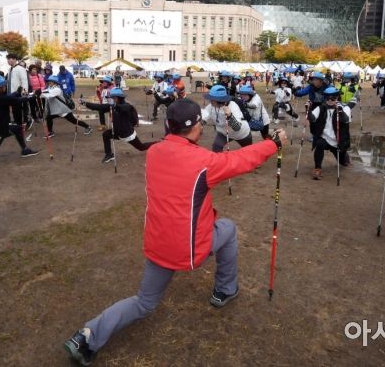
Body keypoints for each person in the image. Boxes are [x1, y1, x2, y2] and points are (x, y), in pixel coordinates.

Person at [63, 98, 287, 366]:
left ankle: (86, 336)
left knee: (144, 303)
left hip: (158, 245)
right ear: (195, 128)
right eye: (201, 124)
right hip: (189, 250)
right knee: (227, 228)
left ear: (168, 124)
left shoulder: (155, 151)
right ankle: (225, 290)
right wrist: (273, 142)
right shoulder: (204, 161)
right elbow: (242, 159)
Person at [87, 88, 157, 163]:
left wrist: (115, 106)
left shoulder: (127, 106)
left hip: (127, 134)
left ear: (118, 98)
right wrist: (85, 104)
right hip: (117, 132)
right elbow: (99, 107)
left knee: (141, 147)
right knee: (106, 134)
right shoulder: (112, 105)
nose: (111, 99)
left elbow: (123, 108)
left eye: (113, 98)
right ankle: (109, 155)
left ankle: (159, 143)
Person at [308, 87, 351, 180]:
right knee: (319, 144)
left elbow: (346, 120)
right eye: (327, 98)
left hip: (338, 141)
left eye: (333, 98)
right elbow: (312, 118)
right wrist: (308, 110)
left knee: (344, 163)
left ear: (337, 97)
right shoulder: (320, 108)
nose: (330, 100)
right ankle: (317, 168)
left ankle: (345, 157)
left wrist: (340, 111)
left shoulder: (344, 107)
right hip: (325, 138)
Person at [201, 85, 252, 152]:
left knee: (249, 151)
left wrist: (230, 116)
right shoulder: (211, 106)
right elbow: (203, 118)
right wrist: (199, 124)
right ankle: (220, 162)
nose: (210, 100)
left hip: (242, 134)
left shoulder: (232, 106)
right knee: (216, 147)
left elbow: (237, 128)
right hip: (224, 133)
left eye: (212, 98)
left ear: (218, 100)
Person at [6, 54, 31, 128]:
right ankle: (18, 123)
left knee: (21, 110)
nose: (8, 61)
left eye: (9, 59)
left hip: (19, 93)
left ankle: (26, 122)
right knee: (14, 110)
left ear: (14, 59)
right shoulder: (10, 69)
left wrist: (24, 91)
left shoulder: (20, 69)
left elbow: (24, 81)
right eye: (7, 59)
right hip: (11, 93)